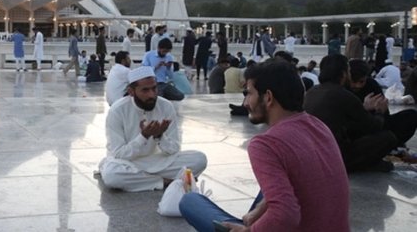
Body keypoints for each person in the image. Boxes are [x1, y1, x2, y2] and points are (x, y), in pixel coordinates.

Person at [180, 60, 349, 232]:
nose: (246, 103)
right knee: (278, 180)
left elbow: (286, 214)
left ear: (268, 97)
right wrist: (258, 212)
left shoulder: (266, 144)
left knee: (190, 201)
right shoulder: (319, 126)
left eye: (249, 94)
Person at [98, 66, 207, 192]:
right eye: (145, 90)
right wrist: (143, 136)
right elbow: (119, 154)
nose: (152, 94)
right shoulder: (117, 111)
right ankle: (163, 181)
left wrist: (159, 136)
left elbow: (174, 149)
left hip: (159, 161)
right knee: (113, 175)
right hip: (129, 163)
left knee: (199, 159)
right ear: (131, 91)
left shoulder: (166, 106)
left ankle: (144, 180)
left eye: (154, 88)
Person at [304, 54, 398, 172]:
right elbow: (374, 127)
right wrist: (379, 111)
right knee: (388, 138)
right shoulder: (343, 94)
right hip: (334, 156)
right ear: (343, 74)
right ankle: (364, 165)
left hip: (311, 154)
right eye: (348, 71)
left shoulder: (312, 92)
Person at [349, 59, 417, 147]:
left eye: (361, 82)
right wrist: (363, 108)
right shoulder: (342, 89)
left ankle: (392, 145)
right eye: (354, 82)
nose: (357, 85)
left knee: (410, 116)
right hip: (355, 131)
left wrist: (379, 111)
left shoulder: (371, 85)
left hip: (375, 124)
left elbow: (384, 115)